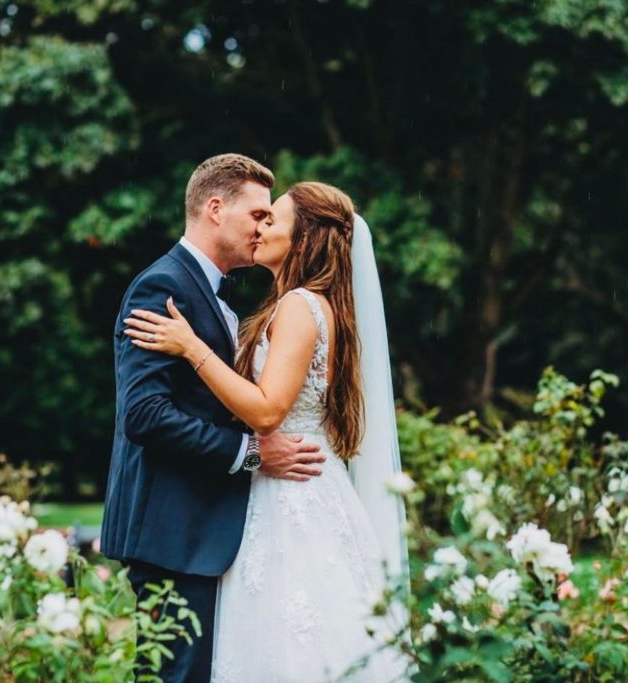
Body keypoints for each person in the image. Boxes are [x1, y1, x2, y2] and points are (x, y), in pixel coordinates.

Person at [125, 180, 409, 682]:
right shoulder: (312, 306)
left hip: (290, 493)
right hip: (293, 488)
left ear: (305, 237)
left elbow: (267, 411)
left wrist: (192, 347)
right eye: (259, 216)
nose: (261, 228)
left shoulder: (300, 305)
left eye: (272, 219)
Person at [100, 154, 328, 683]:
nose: (263, 227)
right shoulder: (161, 287)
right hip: (172, 533)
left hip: (205, 533)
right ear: (215, 208)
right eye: (257, 215)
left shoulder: (218, 293)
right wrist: (251, 452)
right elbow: (145, 414)